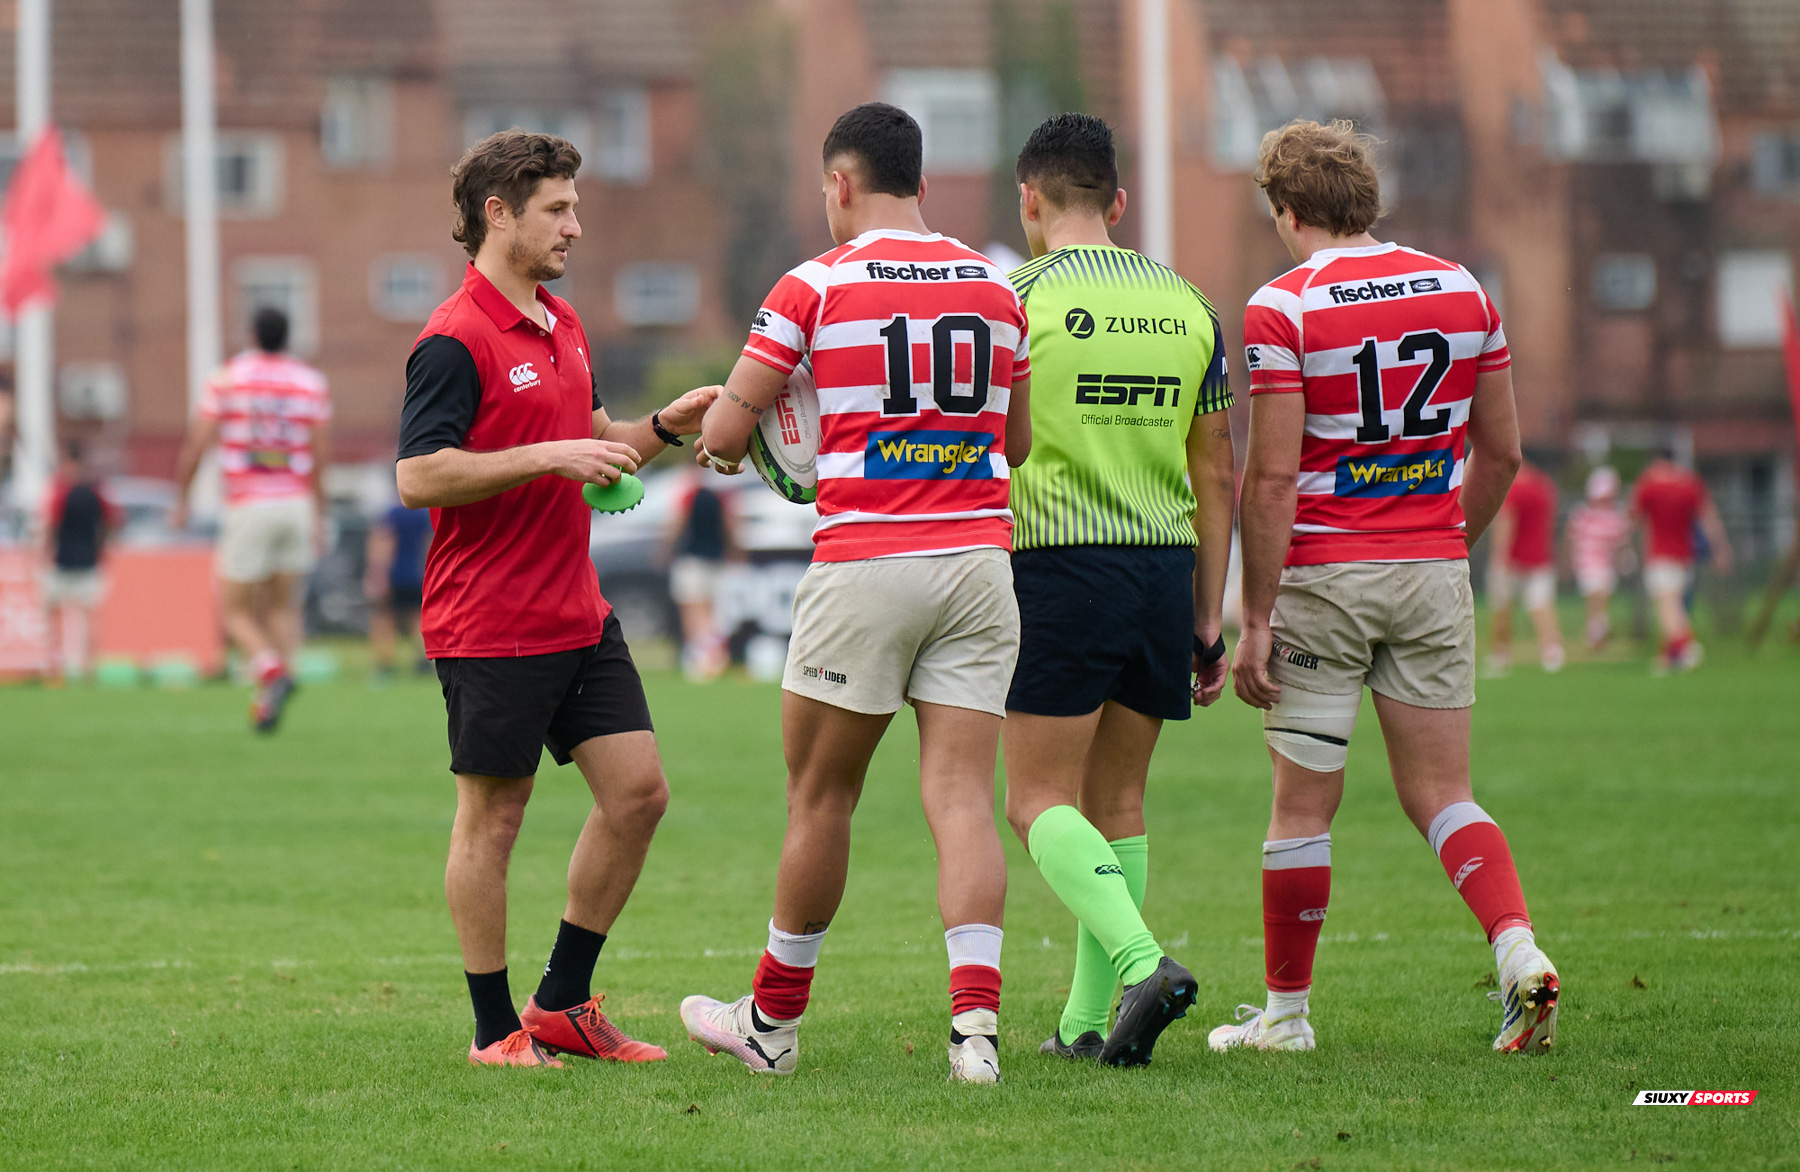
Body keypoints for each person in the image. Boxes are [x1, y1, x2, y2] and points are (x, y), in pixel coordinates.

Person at [678, 103, 1032, 1083]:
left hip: (866, 561)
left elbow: (726, 433)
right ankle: (975, 1035)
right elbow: (1020, 443)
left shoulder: (813, 285)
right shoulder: (996, 285)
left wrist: (751, 435)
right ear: (917, 179)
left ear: (841, 183)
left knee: (821, 795)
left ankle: (773, 1024)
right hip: (977, 563)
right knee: (961, 793)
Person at [1213, 120, 1560, 1056]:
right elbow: (1506, 450)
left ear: (1287, 212)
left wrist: (1252, 617)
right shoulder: (1462, 289)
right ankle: (1519, 951)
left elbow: (1274, 478)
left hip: (1325, 578)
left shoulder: (1282, 306)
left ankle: (1285, 1021)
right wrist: (1446, 540)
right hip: (1432, 568)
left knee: (1300, 807)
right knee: (1445, 792)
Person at [395, 130, 718, 1068]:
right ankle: (495, 1031)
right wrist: (551, 455)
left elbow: (594, 442)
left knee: (640, 795)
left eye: (575, 208)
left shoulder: (562, 323)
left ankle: (562, 1003)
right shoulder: (454, 338)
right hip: (489, 621)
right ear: (498, 213)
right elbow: (419, 477)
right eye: (557, 210)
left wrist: (659, 426)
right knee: (493, 820)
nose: (576, 226)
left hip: (578, 614)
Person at [1000, 113, 1235, 1066]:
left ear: (1030, 201)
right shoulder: (1189, 304)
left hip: (1059, 562)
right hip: (1163, 571)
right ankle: (1086, 1025)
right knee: (1118, 802)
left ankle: (1142, 961)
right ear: (1120, 201)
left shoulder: (1014, 300)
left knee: (1034, 800)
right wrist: (1207, 620)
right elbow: (1216, 468)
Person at [173, 306, 331, 732]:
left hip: (248, 502)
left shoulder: (228, 377)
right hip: (295, 502)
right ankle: (268, 702)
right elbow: (319, 456)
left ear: (251, 333)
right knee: (280, 606)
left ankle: (270, 673)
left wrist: (182, 498)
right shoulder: (309, 382)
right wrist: (320, 512)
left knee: (235, 610)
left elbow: (197, 444)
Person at [1630, 451, 1732, 672]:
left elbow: (1634, 518)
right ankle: (1672, 656)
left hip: (1659, 555)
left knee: (1666, 606)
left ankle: (1685, 648)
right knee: (1675, 606)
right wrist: (1721, 549)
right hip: (1685, 555)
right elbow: (1708, 518)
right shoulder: (1690, 484)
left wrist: (1625, 548)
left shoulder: (1649, 486)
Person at [39, 441, 120, 682]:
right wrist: (101, 548)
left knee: (56, 616)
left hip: (62, 562)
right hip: (88, 561)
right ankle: (86, 670)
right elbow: (112, 522)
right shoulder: (98, 491)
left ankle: (57, 668)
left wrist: (43, 555)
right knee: (87, 617)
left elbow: (50, 526)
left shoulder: (59, 491)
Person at [1484, 459, 1563, 674]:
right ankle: (1552, 652)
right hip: (1541, 557)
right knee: (1541, 605)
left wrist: (1500, 557)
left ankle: (1501, 655)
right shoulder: (1544, 485)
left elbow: (1507, 521)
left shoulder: (1514, 487)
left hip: (1513, 558)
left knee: (1502, 607)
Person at [663, 465, 737, 681]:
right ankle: (714, 658)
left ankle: (700, 659)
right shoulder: (722, 494)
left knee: (693, 611)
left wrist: (666, 549)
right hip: (715, 559)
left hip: (691, 559)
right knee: (711, 612)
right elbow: (730, 526)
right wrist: (734, 551)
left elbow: (678, 524)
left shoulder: (689, 493)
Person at [364, 498, 432, 682]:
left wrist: (378, 574)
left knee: (385, 618)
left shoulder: (392, 513)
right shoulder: (423, 513)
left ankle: (385, 664)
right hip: (416, 573)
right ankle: (423, 660)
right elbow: (427, 544)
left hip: (394, 573)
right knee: (416, 618)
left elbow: (385, 543)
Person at [1567, 465, 1631, 650]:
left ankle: (1596, 634)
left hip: (1606, 565)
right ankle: (1596, 633)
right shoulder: (1583, 514)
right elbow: (1572, 539)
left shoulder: (1615, 517)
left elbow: (1621, 543)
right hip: (1587, 564)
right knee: (1595, 599)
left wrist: (1623, 559)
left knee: (1601, 600)